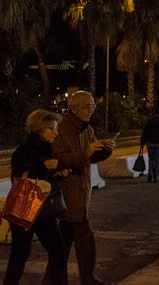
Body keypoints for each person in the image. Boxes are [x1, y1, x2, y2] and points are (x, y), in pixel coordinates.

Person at [45, 90, 115, 285]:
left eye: (92, 106)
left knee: (63, 242)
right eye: (86, 106)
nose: (90, 110)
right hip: (67, 192)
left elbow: (89, 158)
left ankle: (50, 279)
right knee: (85, 237)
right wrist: (87, 150)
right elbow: (58, 160)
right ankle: (88, 278)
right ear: (74, 108)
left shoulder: (87, 129)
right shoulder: (61, 129)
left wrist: (104, 150)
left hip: (82, 192)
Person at [4, 110, 70, 285]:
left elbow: (41, 181)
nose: (56, 132)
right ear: (40, 130)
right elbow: (19, 179)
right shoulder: (24, 150)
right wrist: (43, 166)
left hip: (42, 211)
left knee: (57, 250)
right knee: (20, 254)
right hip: (26, 210)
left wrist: (57, 175)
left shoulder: (45, 149)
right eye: (52, 129)